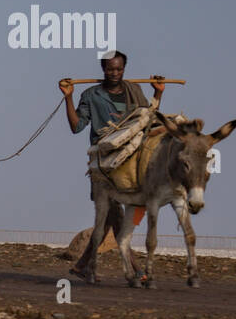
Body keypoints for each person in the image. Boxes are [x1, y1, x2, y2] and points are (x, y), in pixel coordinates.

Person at [59, 53, 165, 278]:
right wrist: (68, 98)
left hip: (130, 159)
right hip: (104, 163)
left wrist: (158, 92)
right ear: (103, 69)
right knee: (114, 213)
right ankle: (136, 270)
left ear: (124, 68)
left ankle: (82, 266)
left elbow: (148, 119)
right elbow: (76, 127)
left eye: (119, 69)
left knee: (108, 216)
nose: (114, 74)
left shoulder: (134, 91)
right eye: (110, 69)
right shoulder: (91, 95)